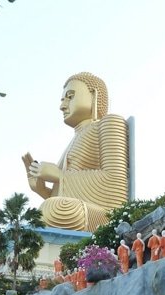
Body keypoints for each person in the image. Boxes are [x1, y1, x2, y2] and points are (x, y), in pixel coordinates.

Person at [22, 72, 128, 231]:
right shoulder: (74, 139)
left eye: (70, 97)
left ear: (93, 95)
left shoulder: (109, 123)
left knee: (50, 209)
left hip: (104, 216)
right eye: (62, 99)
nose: (62, 106)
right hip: (73, 208)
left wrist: (59, 176)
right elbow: (70, 194)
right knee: (45, 210)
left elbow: (116, 182)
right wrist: (42, 189)